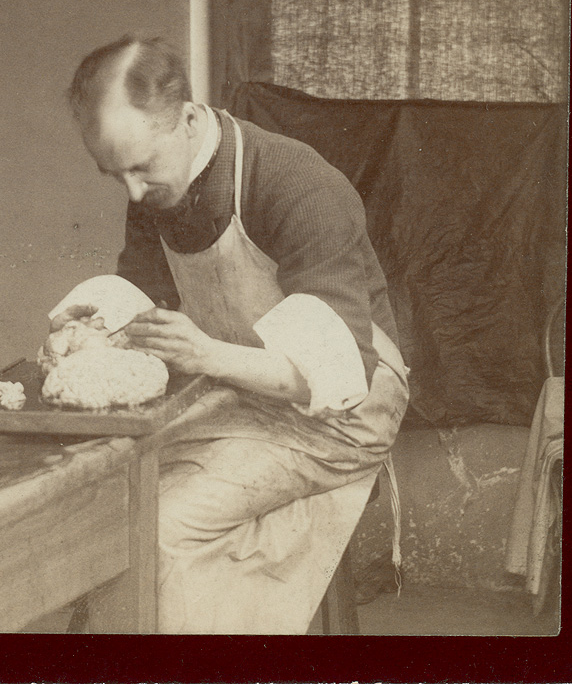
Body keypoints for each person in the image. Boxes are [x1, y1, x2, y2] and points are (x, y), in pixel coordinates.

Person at [60, 36, 409, 633]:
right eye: (113, 174)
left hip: (341, 415)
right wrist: (92, 323)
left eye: (141, 167)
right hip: (239, 394)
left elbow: (339, 374)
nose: (133, 192)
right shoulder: (152, 185)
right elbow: (144, 289)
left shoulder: (296, 184)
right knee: (97, 498)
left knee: (158, 526)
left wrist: (206, 354)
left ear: (188, 118)